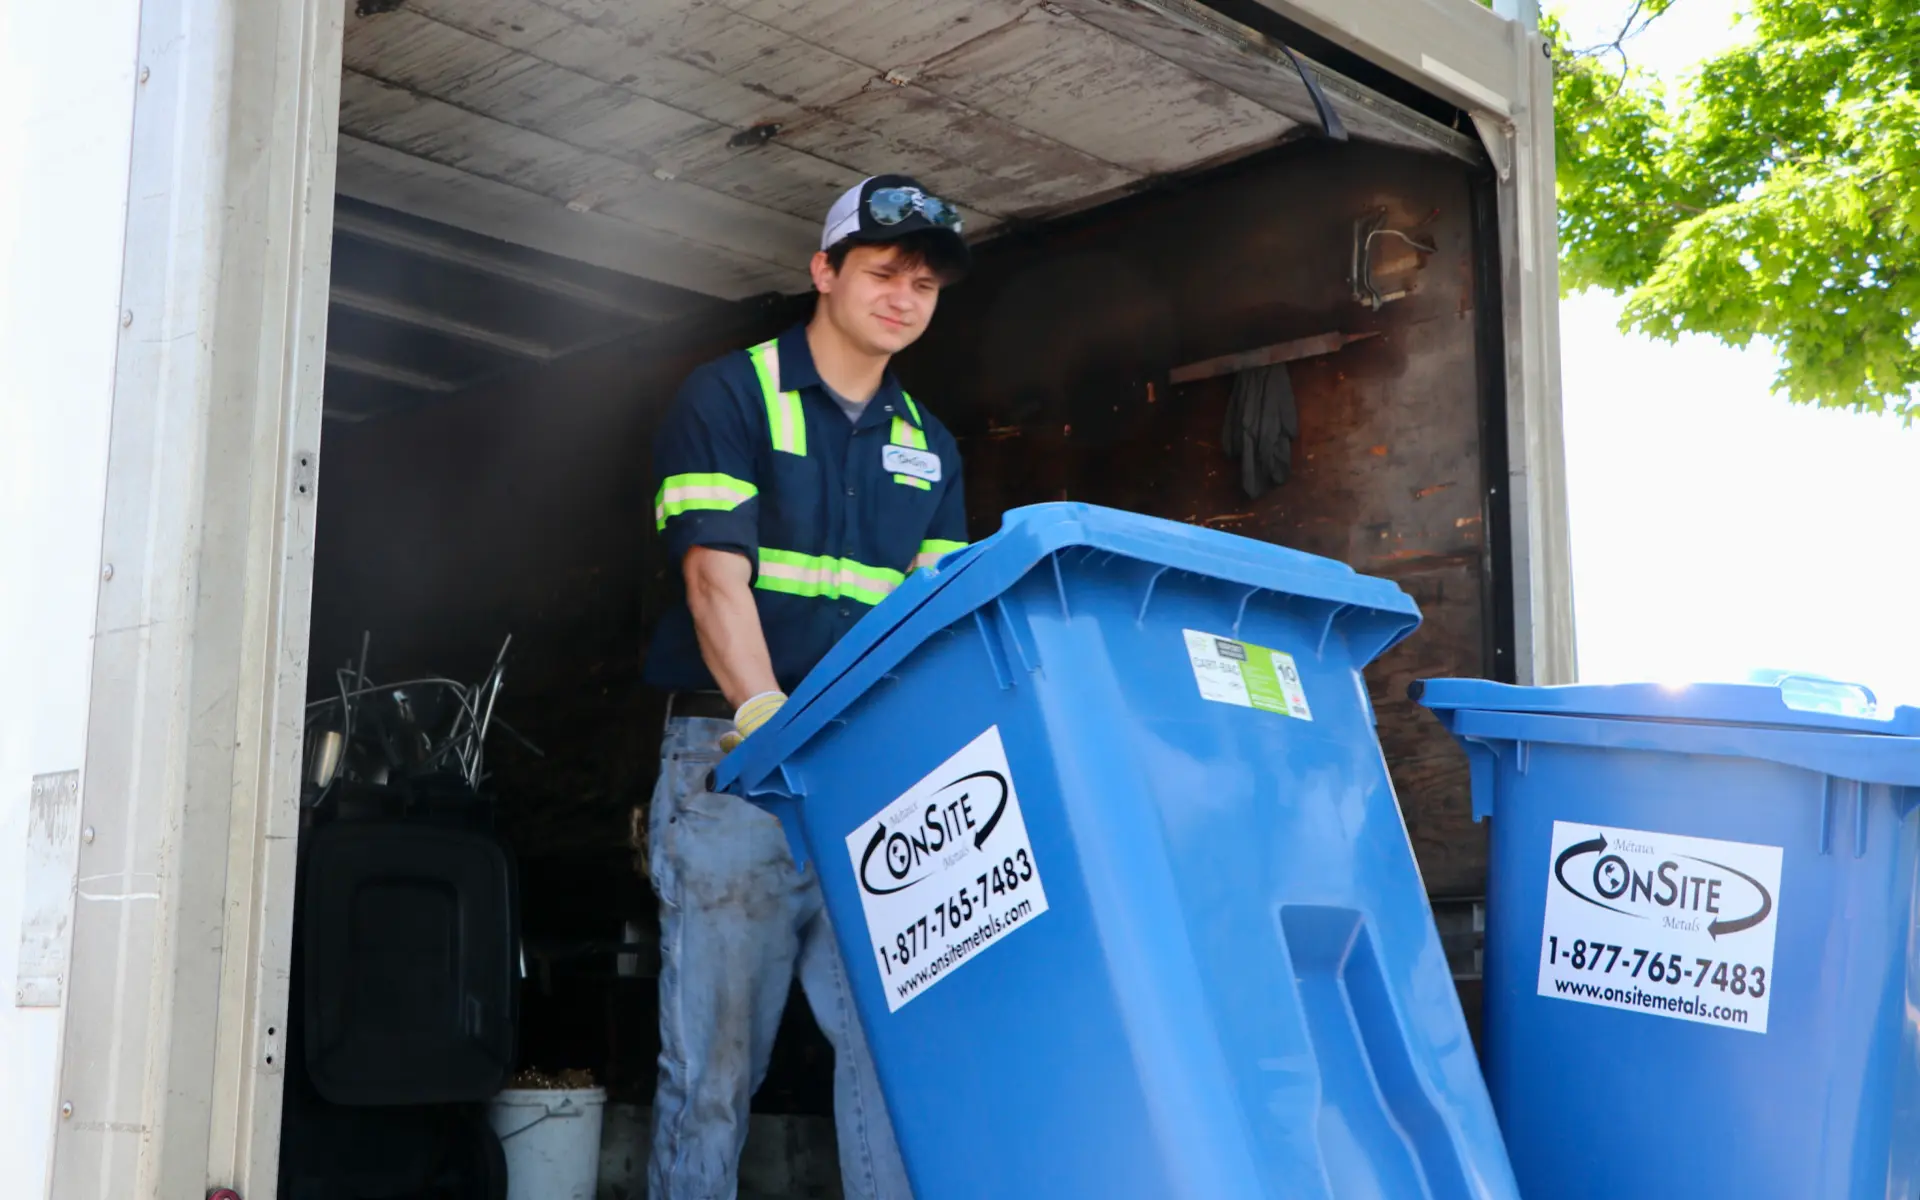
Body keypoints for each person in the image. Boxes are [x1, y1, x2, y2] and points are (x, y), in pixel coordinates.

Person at [640, 174, 971, 1199]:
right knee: (713, 1069)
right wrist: (765, 720)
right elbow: (712, 575)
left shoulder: (932, 447)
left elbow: (932, 632)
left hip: (868, 781)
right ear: (822, 272)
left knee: (894, 1059)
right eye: (881, 271)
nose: (903, 295)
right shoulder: (729, 393)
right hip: (736, 767)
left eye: (923, 281)